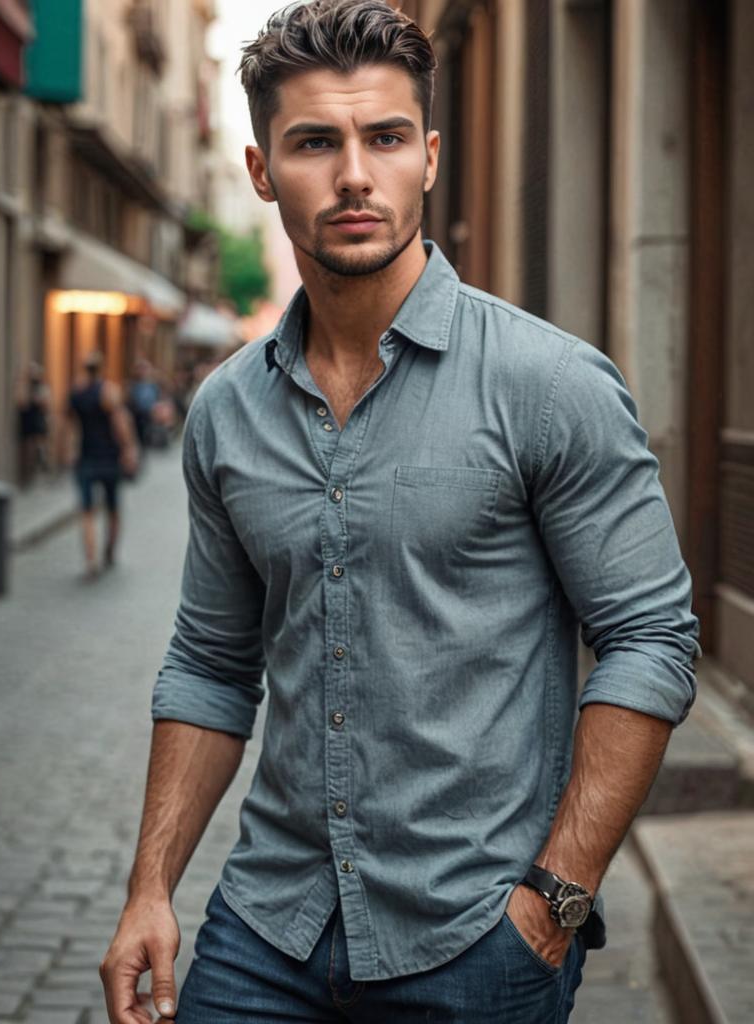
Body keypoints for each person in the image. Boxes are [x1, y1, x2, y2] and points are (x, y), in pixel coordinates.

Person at [100, 2, 700, 1022]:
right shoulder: (228, 411)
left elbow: (649, 637)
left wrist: (554, 898)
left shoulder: (547, 384)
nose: (352, 176)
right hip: (266, 928)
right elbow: (209, 661)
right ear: (260, 171)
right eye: (314, 143)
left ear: (427, 156)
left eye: (383, 138)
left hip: (474, 940)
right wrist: (150, 887)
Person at [67, 352, 138, 578]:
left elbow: (69, 426)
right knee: (113, 508)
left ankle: (90, 560)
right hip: (108, 457)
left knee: (87, 511)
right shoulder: (108, 392)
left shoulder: (76, 393)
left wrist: (68, 452)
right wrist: (129, 449)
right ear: (101, 368)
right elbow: (120, 423)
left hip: (86, 456)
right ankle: (109, 551)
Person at [15, 361, 50, 484]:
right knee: (27, 448)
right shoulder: (25, 387)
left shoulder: (42, 388)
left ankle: (40, 463)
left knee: (38, 445)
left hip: (37, 421)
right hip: (28, 421)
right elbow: (21, 402)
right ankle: (28, 472)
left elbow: (44, 403)